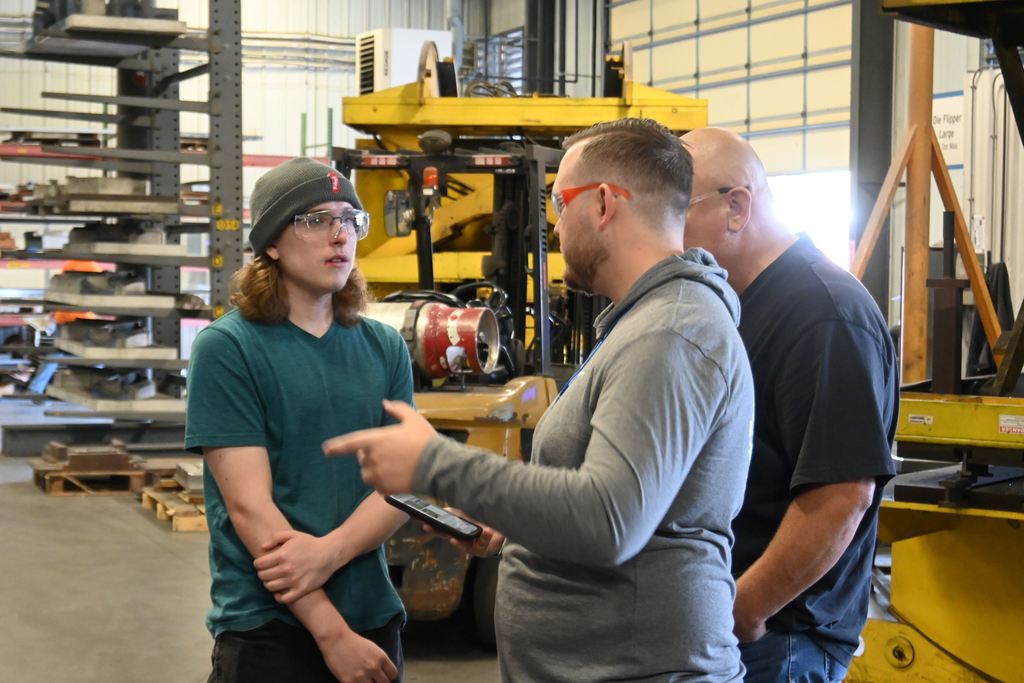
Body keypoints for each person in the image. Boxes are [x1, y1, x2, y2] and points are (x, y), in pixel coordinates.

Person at [324, 117, 755, 682]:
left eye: (559, 201)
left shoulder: (668, 334)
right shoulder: (643, 324)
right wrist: (510, 515)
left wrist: (438, 464)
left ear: (603, 203)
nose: (554, 224)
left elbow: (609, 519)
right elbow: (610, 499)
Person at [679, 127, 898, 682]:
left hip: (780, 642)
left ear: (737, 207)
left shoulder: (823, 314)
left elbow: (840, 494)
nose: (663, 232)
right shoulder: (734, 303)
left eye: (676, 209)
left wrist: (746, 608)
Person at [185, 157, 413, 683]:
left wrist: (329, 552)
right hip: (270, 625)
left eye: (350, 219)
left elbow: (403, 485)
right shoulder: (228, 348)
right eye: (314, 220)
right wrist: (332, 636)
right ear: (270, 242)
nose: (340, 235)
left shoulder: (383, 347)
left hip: (372, 615)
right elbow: (250, 510)